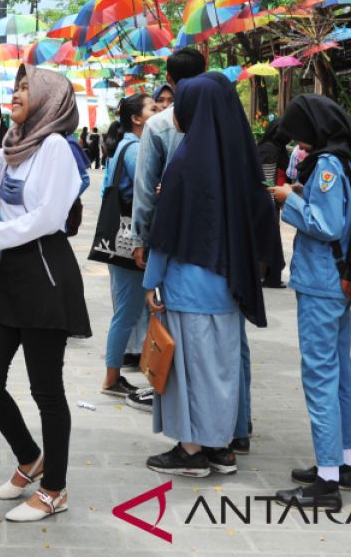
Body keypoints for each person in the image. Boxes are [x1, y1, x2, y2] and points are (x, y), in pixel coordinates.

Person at [0, 66, 91, 523]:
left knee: (46, 390)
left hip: (46, 273)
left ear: (50, 99)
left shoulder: (55, 147)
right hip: (10, 272)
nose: (15, 93)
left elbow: (50, 217)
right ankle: (31, 458)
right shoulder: (15, 146)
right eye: (15, 86)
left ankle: (55, 489)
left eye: (26, 88)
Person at [143, 73, 283, 479]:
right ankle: (221, 447)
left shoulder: (186, 161)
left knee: (190, 370)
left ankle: (191, 452)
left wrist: (151, 280)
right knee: (222, 369)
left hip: (188, 284)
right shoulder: (239, 160)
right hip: (230, 284)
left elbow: (166, 232)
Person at [270, 94, 351, 511]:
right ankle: (341, 462)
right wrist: (303, 192)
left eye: (301, 137)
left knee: (319, 374)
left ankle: (326, 481)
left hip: (322, 282)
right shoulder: (344, 157)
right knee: (339, 373)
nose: (299, 144)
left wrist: (289, 199)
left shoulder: (330, 166)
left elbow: (327, 224)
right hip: (336, 281)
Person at [126, 46, 207, 412]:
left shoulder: (161, 125)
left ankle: (173, 405)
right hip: (216, 245)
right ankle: (235, 424)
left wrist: (140, 239)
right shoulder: (225, 118)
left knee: (171, 324)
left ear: (170, 81)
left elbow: (145, 188)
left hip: (170, 238)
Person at [99, 93, 156, 399]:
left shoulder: (124, 145)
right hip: (130, 241)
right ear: (136, 118)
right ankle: (111, 378)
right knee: (127, 311)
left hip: (123, 239)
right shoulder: (134, 149)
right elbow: (144, 191)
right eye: (152, 108)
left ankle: (114, 376)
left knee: (128, 310)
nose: (158, 112)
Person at [256, 119, 291, 289]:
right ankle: (267, 276)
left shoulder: (275, 147)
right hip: (267, 201)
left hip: (272, 200)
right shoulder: (270, 149)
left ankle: (269, 275)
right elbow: (266, 179)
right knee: (269, 239)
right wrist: (273, 201)